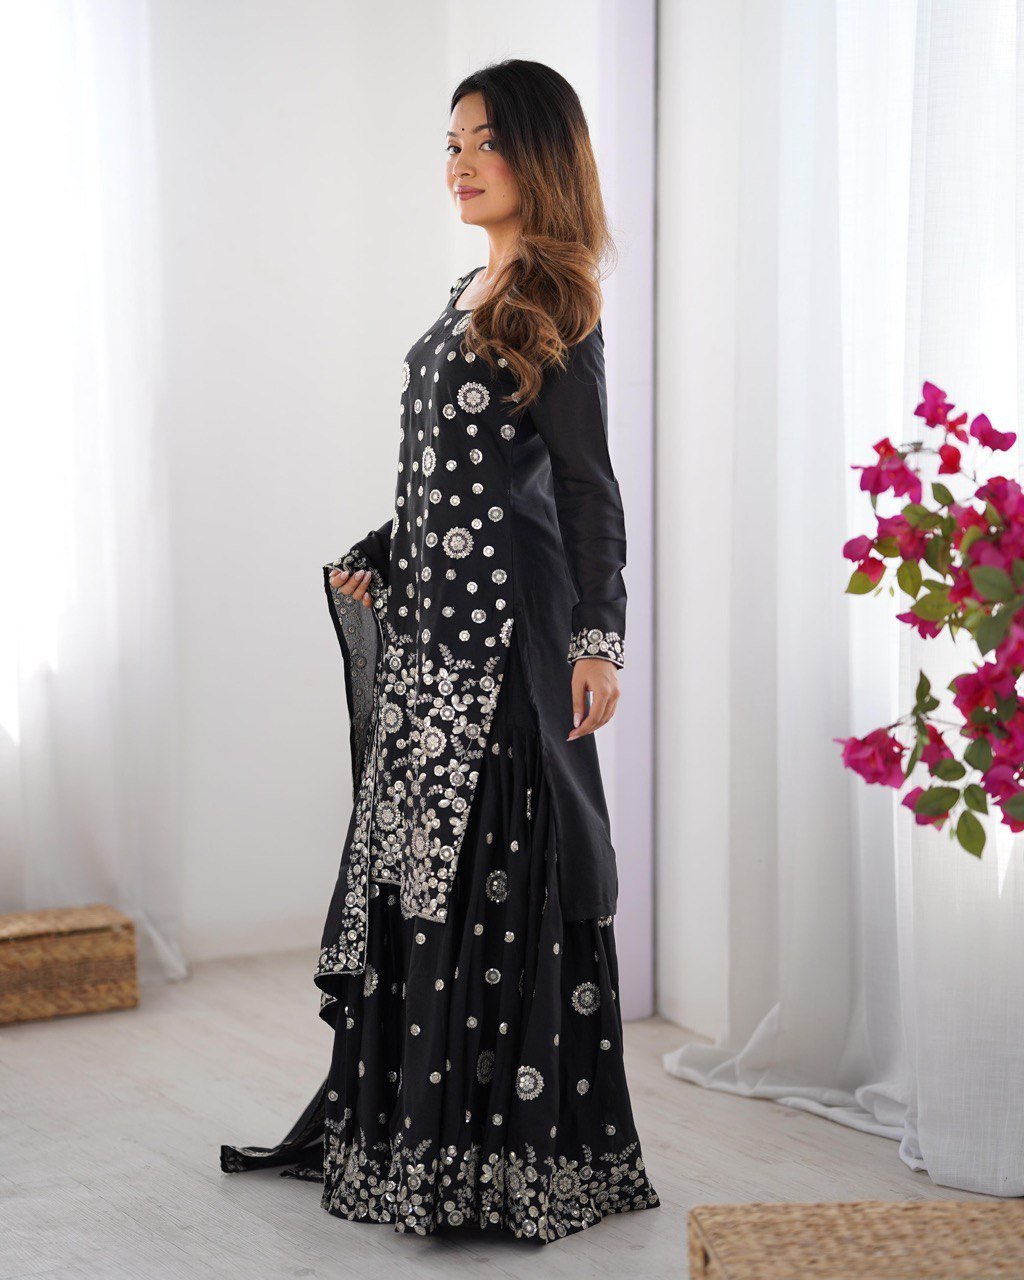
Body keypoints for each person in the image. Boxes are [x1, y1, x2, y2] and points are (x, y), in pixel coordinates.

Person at [220, 57, 660, 1244]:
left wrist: (600, 639)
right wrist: (380, 547)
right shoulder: (465, 291)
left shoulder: (557, 298)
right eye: (450, 143)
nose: (459, 164)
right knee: (421, 888)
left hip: (505, 651)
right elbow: (446, 481)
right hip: (427, 650)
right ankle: (413, 1145)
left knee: (492, 885)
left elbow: (584, 487)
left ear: (538, 155)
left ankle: (498, 1167)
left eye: (484, 141)